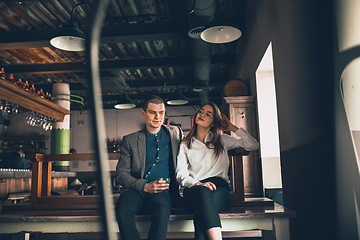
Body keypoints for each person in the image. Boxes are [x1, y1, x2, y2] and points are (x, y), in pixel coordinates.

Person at [176, 102, 259, 240]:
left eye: (208, 114)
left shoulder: (222, 140)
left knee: (201, 210)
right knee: (203, 194)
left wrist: (231, 127)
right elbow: (181, 175)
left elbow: (253, 145)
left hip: (219, 190)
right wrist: (198, 184)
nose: (202, 115)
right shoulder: (185, 144)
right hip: (194, 189)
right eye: (201, 111)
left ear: (214, 122)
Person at [115, 95, 183, 240]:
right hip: (135, 190)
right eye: (152, 112)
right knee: (122, 210)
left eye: (161, 112)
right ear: (143, 112)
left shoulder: (175, 133)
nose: (157, 117)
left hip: (162, 190)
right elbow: (121, 174)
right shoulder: (130, 140)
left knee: (163, 209)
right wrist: (144, 186)